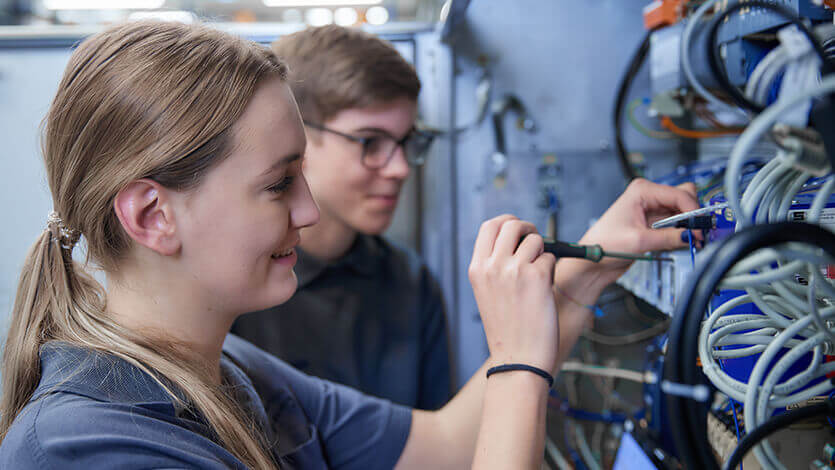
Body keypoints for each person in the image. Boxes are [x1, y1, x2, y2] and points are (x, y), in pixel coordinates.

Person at [0, 21, 700, 469]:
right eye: (278, 185)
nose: (306, 212)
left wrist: (575, 285)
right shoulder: (86, 449)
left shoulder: (233, 373)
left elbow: (445, 448)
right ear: (153, 215)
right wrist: (518, 364)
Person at [231, 25, 451, 410]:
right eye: (370, 142)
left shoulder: (410, 283)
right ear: (295, 136)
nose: (400, 168)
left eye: (405, 142)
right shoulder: (235, 286)